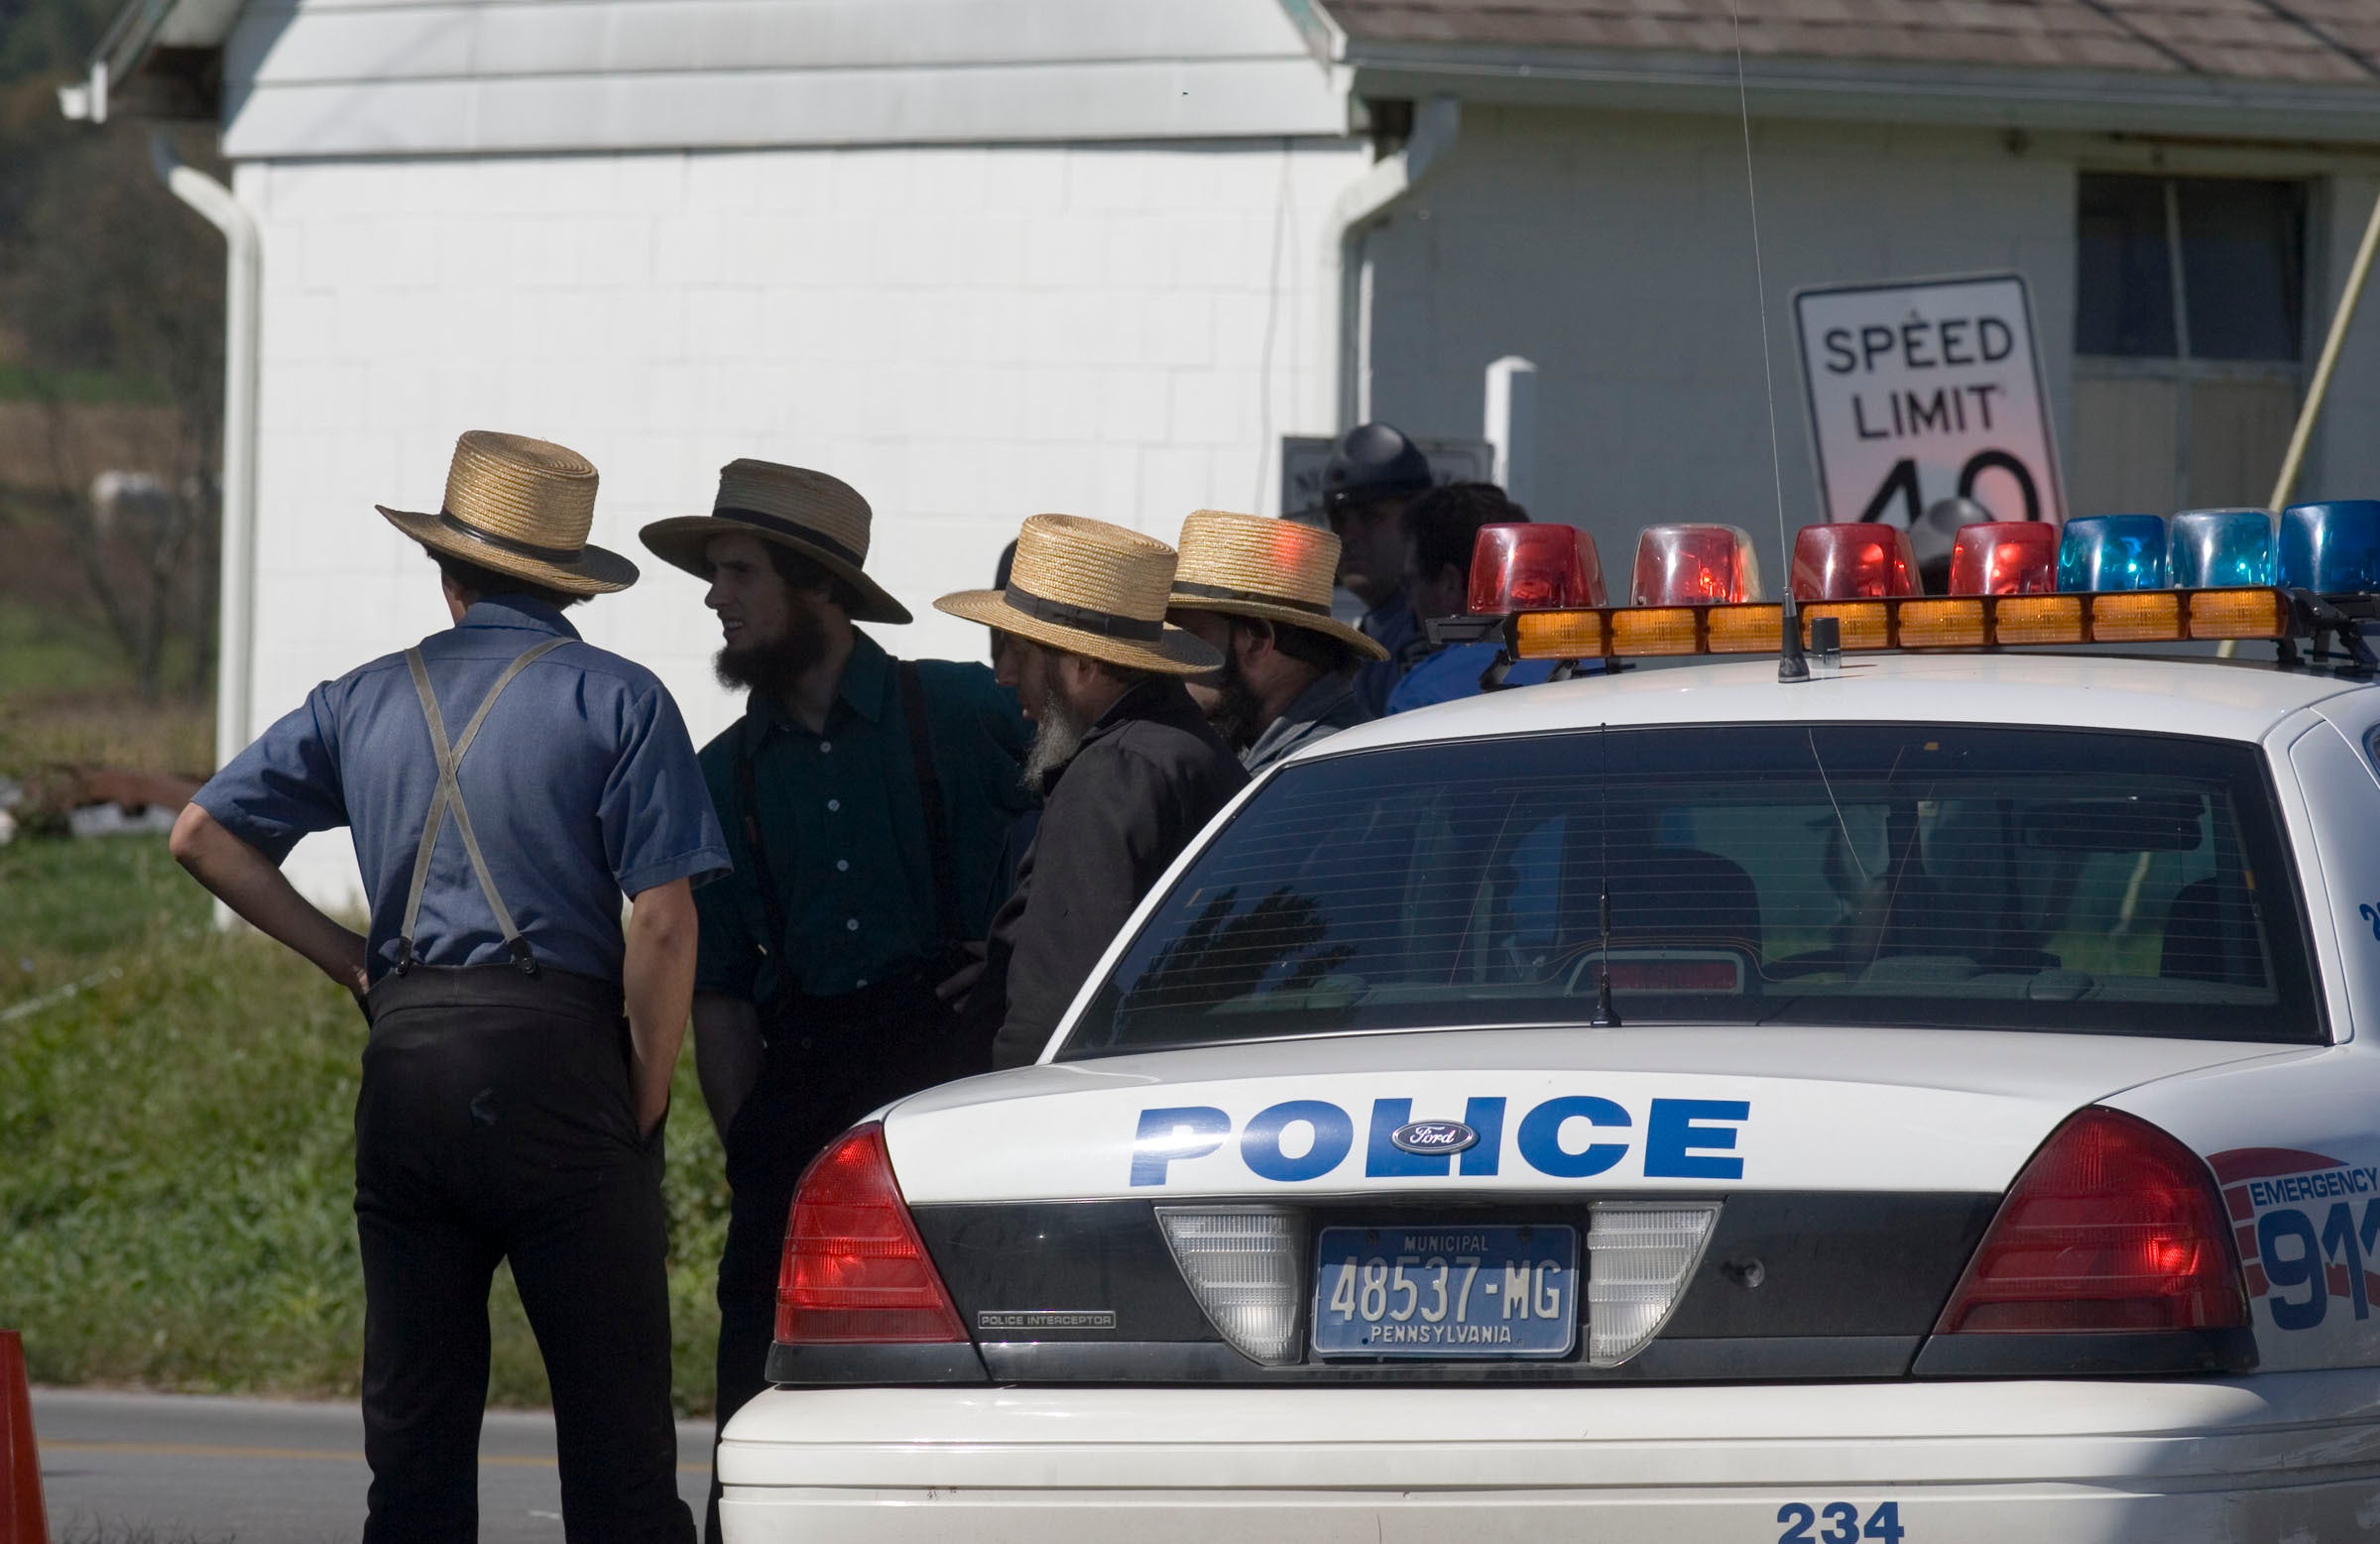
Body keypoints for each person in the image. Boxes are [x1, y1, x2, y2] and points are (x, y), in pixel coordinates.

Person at [169, 430, 722, 1543]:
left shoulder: (361, 698)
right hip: (562, 1063)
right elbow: (663, 920)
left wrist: (351, 960)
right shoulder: (620, 699)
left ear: (445, 570)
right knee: (617, 1445)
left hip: (409, 1061)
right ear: (571, 583)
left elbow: (201, 835)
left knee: (415, 1451)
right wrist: (646, 1089)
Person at [636, 460, 1030, 1544]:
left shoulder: (964, 712)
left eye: (737, 572)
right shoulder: (721, 773)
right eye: (714, 573)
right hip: (799, 1079)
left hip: (949, 1077)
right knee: (758, 1357)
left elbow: (1081, 841)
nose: (714, 597)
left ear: (815, 583)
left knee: (968, 1356)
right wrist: (753, 1151)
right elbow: (719, 994)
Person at [937, 514, 1247, 1069]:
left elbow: (1056, 1010)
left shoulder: (1112, 772)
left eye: (1019, 651)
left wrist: (1011, 1100)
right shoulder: (1177, 747)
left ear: (1082, 665)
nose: (1004, 675)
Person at [1163, 509, 1384, 772]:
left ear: (1257, 640)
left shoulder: (1320, 768)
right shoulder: (1289, 756)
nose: (1170, 662)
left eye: (1189, 637)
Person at [1387, 481, 1566, 712]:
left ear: (1450, 584)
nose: (1410, 605)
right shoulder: (1598, 669)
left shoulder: (1421, 695)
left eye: (1410, 582)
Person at [1319, 421, 1436, 717]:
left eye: (1371, 517)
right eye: (1339, 520)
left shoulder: (1422, 627)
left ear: (1417, 523)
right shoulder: (1382, 625)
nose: (1349, 536)